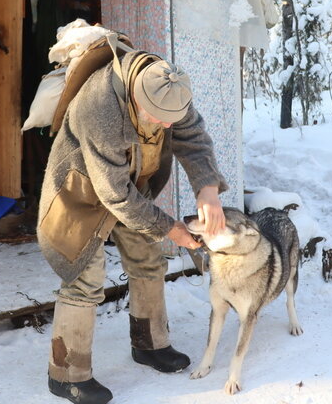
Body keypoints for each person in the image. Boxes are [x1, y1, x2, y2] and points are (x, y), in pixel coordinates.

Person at [37, 43, 227, 404]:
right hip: (80, 193)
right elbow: (115, 195)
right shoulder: (101, 107)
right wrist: (172, 228)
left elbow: (194, 138)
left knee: (148, 259)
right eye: (158, 119)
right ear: (136, 100)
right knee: (84, 279)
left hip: (130, 186)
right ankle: (65, 374)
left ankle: (149, 344)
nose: (166, 126)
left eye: (171, 119)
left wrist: (208, 189)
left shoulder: (170, 91)